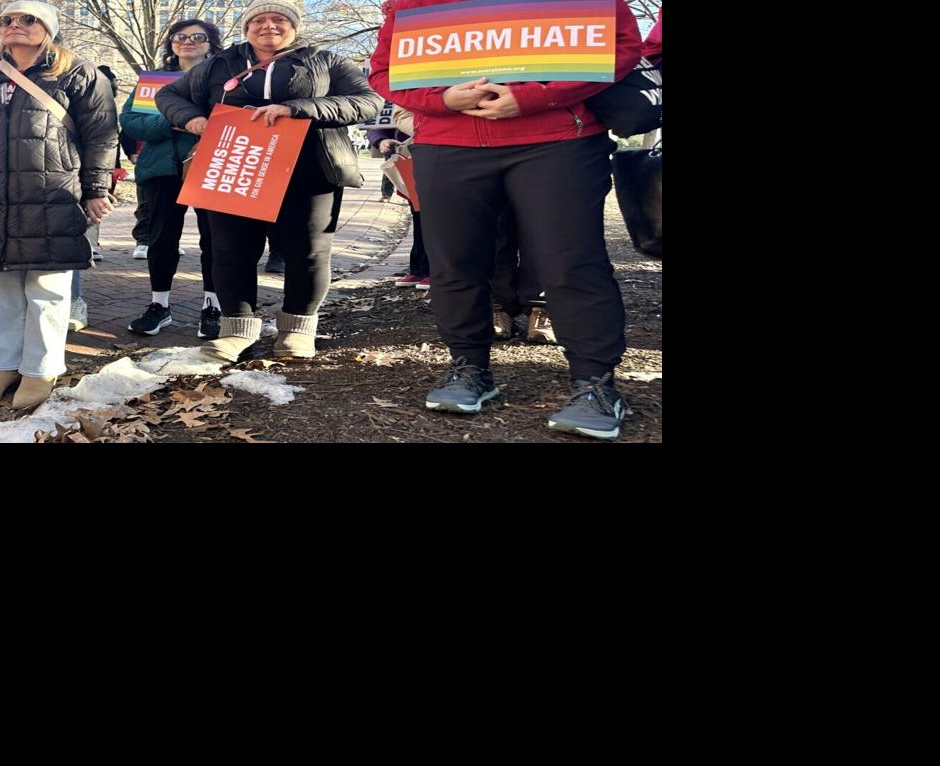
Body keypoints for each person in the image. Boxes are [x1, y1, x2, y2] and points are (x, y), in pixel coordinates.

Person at [369, 0, 642, 439]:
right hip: (448, 143)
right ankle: (468, 367)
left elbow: (620, 46)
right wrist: (441, 99)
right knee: (454, 262)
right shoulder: (412, 4)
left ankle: (595, 383)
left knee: (569, 262)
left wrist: (537, 95)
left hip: (557, 140)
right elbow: (384, 71)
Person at [156, 0, 382, 362]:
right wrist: (192, 119)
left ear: (295, 26)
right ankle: (236, 331)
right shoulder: (221, 63)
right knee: (231, 249)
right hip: (237, 165)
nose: (269, 26)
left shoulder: (325, 61)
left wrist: (298, 109)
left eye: (279, 19)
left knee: (307, 251)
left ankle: (297, 330)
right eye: (259, 20)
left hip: (310, 170)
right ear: (247, 28)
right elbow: (169, 95)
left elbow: (367, 101)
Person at [0, 1, 117, 408]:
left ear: (48, 28)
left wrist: (95, 189)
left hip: (52, 193)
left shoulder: (79, 73)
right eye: (7, 19)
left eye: (28, 19)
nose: (14, 25)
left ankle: (41, 368)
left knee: (47, 286)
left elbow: (102, 136)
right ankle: (4, 366)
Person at [120, 18, 221, 338]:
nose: (188, 41)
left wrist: (188, 123)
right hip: (161, 169)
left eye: (197, 37)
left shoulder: (226, 79)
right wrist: (176, 124)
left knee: (215, 239)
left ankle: (213, 306)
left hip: (210, 166)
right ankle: (159, 305)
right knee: (161, 239)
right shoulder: (153, 81)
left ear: (211, 43)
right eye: (180, 37)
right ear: (171, 44)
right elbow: (131, 122)